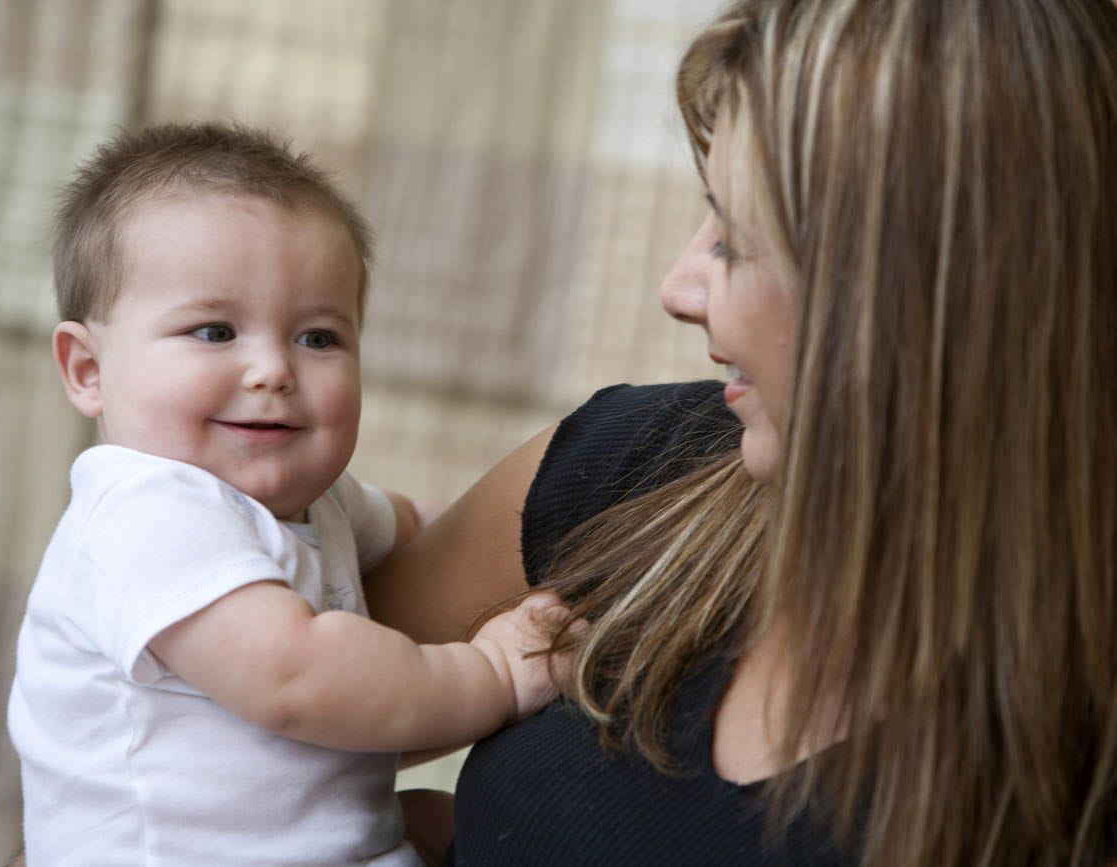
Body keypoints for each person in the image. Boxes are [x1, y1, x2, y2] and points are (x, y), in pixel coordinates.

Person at [367, 0, 1117, 864]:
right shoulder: (629, 467)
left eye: (734, 240)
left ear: (920, 299)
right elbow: (216, 706)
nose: (678, 288)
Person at [7, 121, 573, 866]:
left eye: (317, 338)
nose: (273, 368)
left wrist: (489, 535)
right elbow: (296, 676)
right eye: (214, 331)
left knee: (446, 819)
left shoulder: (317, 501)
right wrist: (490, 675)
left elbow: (406, 523)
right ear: (87, 369)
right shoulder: (147, 514)